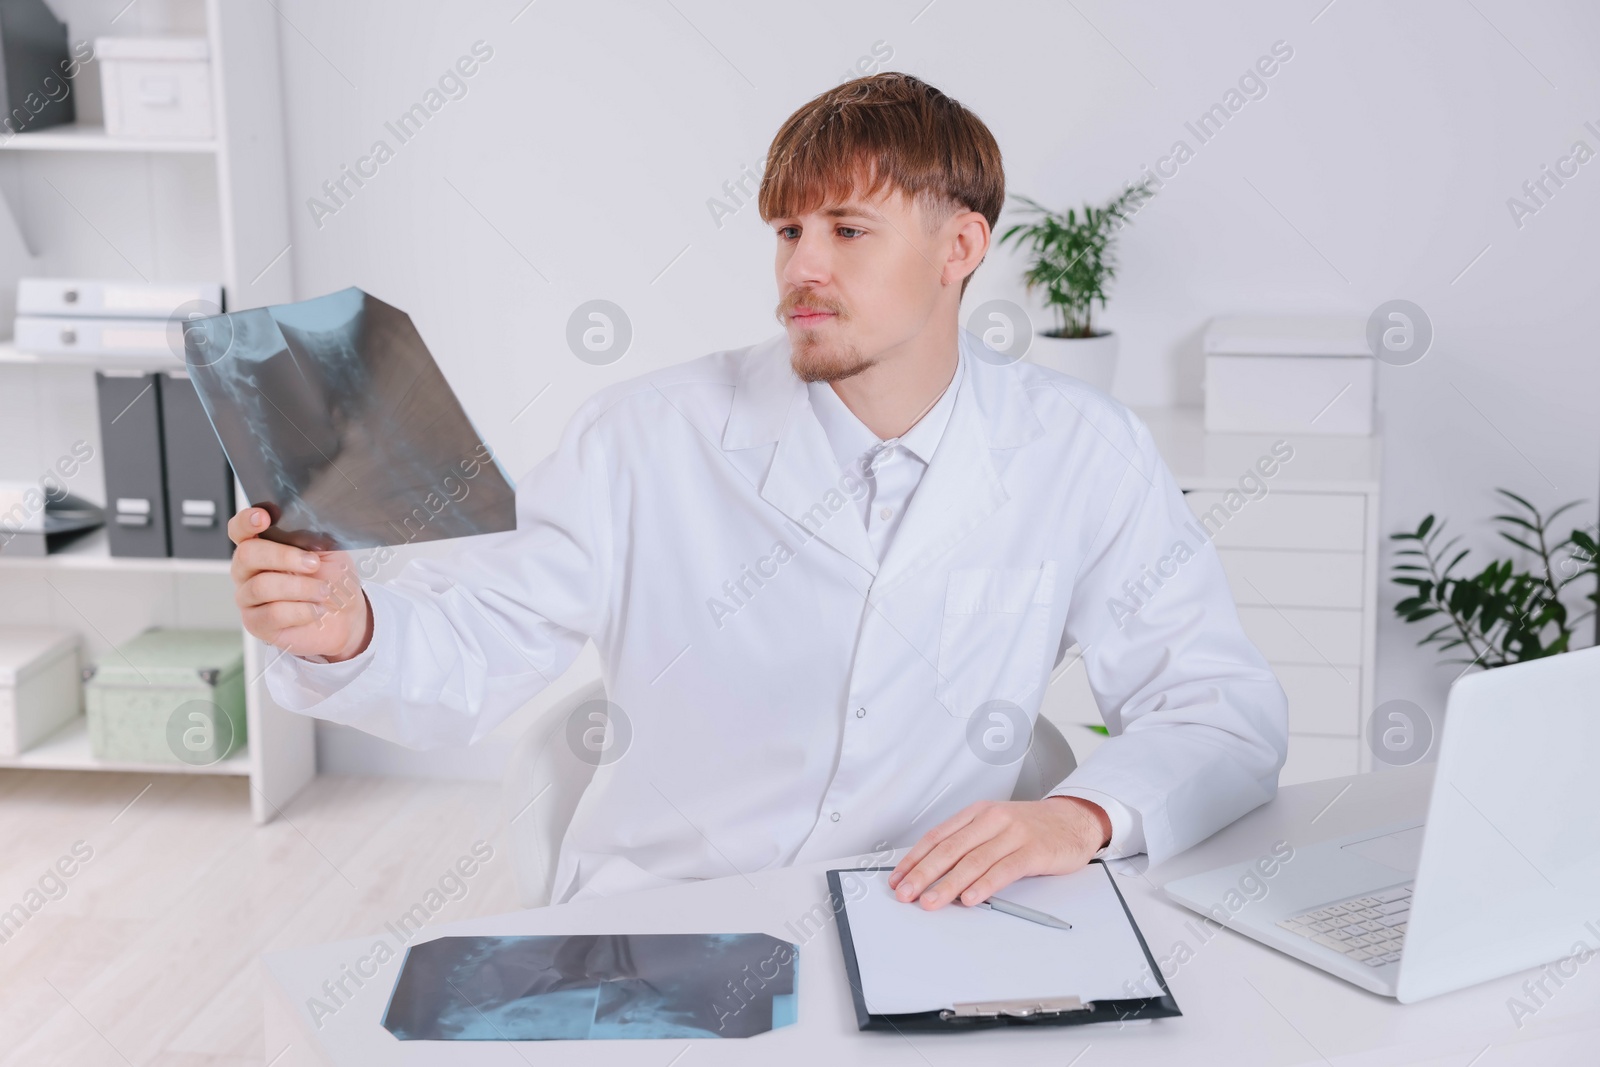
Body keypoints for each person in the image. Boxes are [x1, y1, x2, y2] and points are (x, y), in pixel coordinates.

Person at [228, 72, 1287, 908]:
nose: (800, 269)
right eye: (788, 232)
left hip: (921, 917)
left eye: (847, 230)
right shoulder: (644, 439)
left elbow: (1217, 705)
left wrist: (1085, 816)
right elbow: (484, 644)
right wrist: (348, 627)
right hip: (670, 920)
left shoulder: (1079, 450)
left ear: (959, 245)